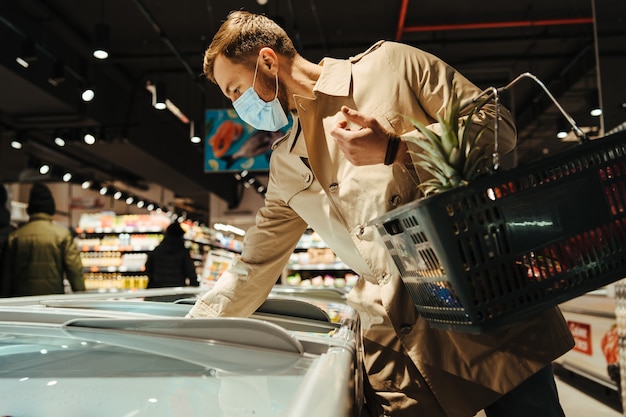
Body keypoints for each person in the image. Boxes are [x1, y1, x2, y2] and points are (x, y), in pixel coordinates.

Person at [186, 11, 574, 417]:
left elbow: (496, 127)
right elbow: (256, 262)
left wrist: (398, 148)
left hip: (484, 300)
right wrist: (194, 328)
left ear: (267, 61)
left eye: (235, 90)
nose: (237, 106)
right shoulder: (286, 162)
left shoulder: (390, 65)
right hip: (400, 339)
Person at [1, 182, 85, 297]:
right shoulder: (62, 235)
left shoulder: (15, 237)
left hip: (21, 302)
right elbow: (74, 271)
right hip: (52, 301)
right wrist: (81, 295)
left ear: (30, 208)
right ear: (51, 207)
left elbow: (6, 276)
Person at [145, 221, 199, 288]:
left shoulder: (157, 250)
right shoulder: (183, 252)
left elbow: (148, 268)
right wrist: (195, 286)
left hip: (157, 290)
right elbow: (191, 272)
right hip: (177, 290)